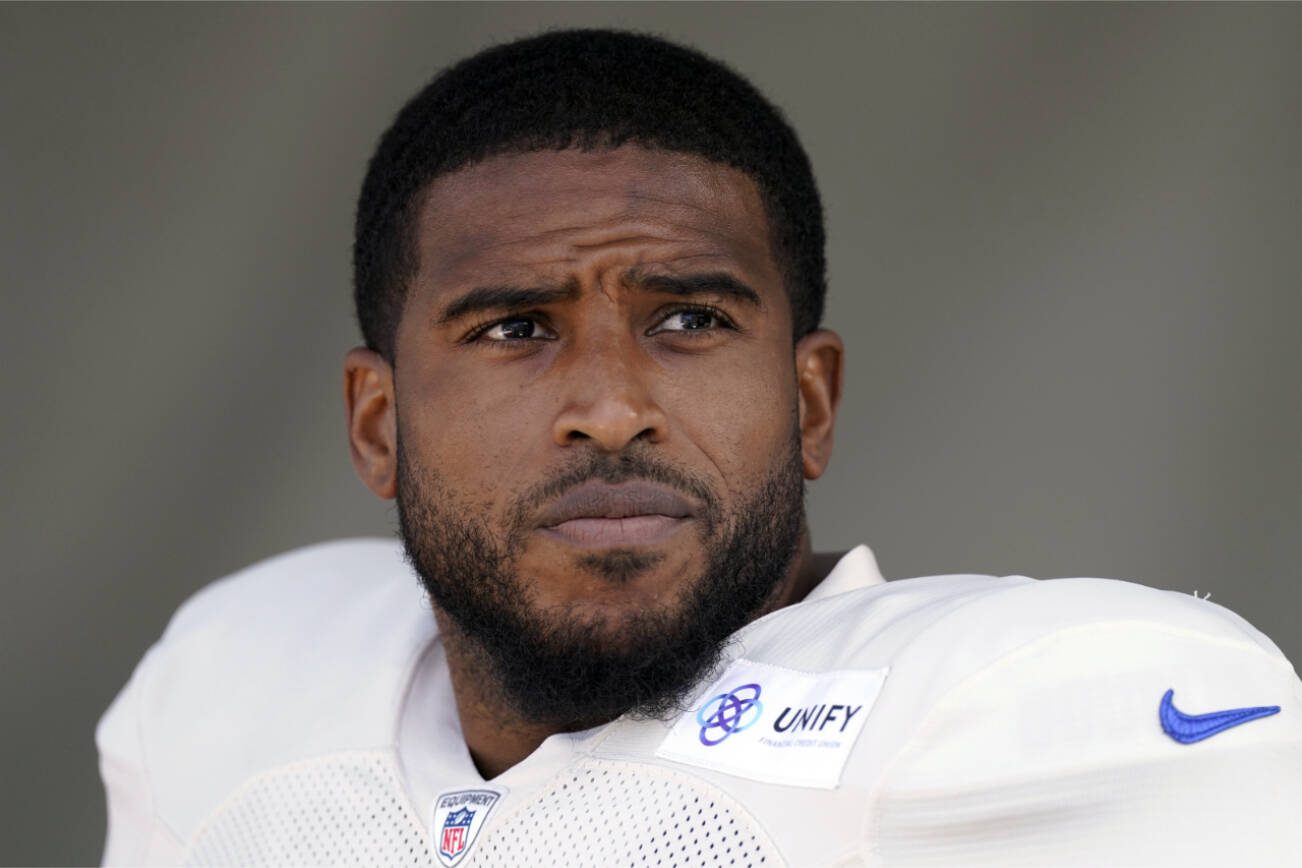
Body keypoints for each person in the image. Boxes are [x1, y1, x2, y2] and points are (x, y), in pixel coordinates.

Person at [96, 28, 1301, 867]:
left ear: (811, 399)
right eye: (516, 327)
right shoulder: (235, 670)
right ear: (379, 425)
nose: (612, 408)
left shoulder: (1031, 705)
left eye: (689, 319)